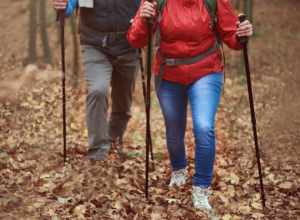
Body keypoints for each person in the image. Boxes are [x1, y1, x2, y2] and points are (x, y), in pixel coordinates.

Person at [127, 0, 253, 211]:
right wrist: (143, 19)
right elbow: (135, 39)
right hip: (168, 73)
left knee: (204, 127)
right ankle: (179, 170)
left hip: (206, 70)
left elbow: (232, 37)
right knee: (174, 130)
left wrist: (242, 34)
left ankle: (201, 188)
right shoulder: (156, 1)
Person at [53, 0, 141, 164]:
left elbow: (149, 6)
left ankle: (112, 140)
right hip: (95, 45)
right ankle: (98, 153)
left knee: (123, 104)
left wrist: (146, 19)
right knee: (98, 90)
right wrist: (64, 7)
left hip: (129, 46)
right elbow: (70, 5)